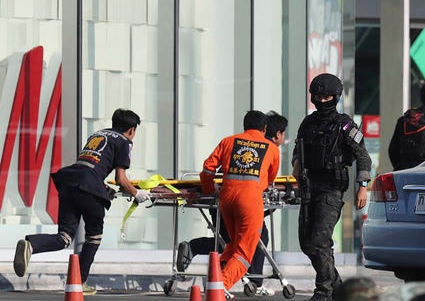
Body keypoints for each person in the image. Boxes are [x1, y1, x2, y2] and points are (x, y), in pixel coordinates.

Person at [12, 108, 150, 296]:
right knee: (94, 236)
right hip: (88, 185)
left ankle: (31, 245)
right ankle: (80, 282)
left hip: (70, 180)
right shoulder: (125, 141)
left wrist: (103, 188)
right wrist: (137, 193)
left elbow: (91, 166)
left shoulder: (98, 134)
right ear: (132, 130)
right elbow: (121, 178)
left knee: (64, 237)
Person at [177, 110, 288, 297]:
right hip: (250, 201)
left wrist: (209, 189)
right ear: (265, 128)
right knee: (245, 253)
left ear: (244, 125)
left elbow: (207, 168)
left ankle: (216, 279)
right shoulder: (271, 148)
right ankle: (220, 287)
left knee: (232, 244)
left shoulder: (228, 141)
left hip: (227, 199)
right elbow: (269, 181)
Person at [292, 73, 372, 301]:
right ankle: (338, 287)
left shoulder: (345, 124)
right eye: (318, 96)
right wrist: (296, 164)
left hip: (332, 188)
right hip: (309, 186)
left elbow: (363, 157)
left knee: (320, 240)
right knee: (307, 243)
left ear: (335, 97)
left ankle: (324, 291)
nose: (322, 100)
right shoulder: (308, 123)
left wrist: (363, 186)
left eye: (326, 96)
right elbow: (299, 149)